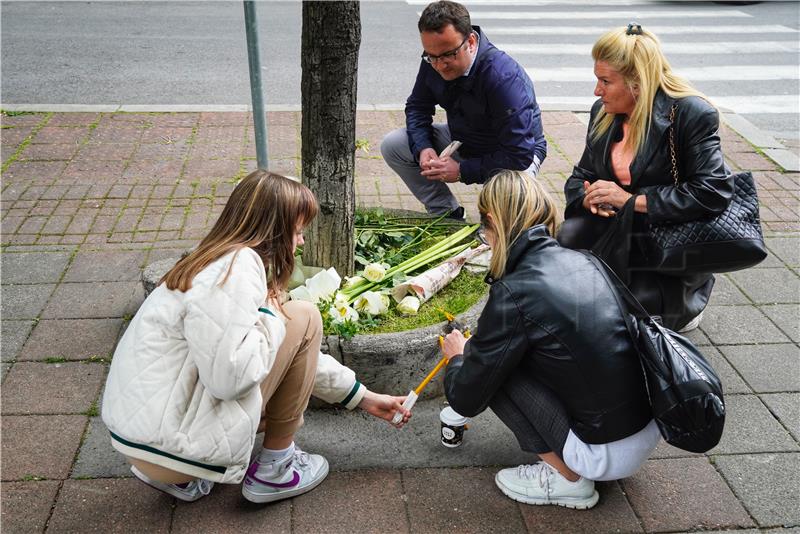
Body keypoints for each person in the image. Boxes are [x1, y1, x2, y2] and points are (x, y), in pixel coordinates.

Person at [102, 170, 411, 504]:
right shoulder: (238, 267)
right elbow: (230, 379)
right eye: (298, 231)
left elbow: (287, 354)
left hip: (146, 444)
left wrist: (362, 397)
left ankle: (186, 479)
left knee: (290, 324)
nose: (302, 241)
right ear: (275, 230)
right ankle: (276, 469)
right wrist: (273, 313)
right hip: (173, 451)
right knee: (304, 315)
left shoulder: (210, 259)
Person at [440, 170, 660, 510]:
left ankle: (567, 479)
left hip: (606, 451)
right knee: (518, 351)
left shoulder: (514, 293)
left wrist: (459, 357)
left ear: (494, 223)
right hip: (646, 429)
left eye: (484, 229)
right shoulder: (584, 260)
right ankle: (576, 458)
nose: (485, 238)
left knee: (491, 369)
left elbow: (466, 400)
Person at [557, 24, 733, 331]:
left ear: (637, 82)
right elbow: (581, 173)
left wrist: (630, 201)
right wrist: (588, 197)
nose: (597, 90)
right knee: (565, 241)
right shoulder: (603, 111)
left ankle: (685, 303)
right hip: (617, 231)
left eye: (605, 81)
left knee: (631, 320)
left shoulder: (691, 113)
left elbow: (712, 191)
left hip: (664, 242)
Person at [380, 0, 547, 220]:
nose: (440, 65)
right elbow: (417, 107)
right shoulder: (434, 57)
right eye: (432, 56)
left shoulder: (503, 77)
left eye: (448, 55)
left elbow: (519, 154)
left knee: (506, 208)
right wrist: (423, 147)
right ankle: (448, 215)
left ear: (470, 41)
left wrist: (461, 171)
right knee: (394, 145)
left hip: (515, 151)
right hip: (464, 138)